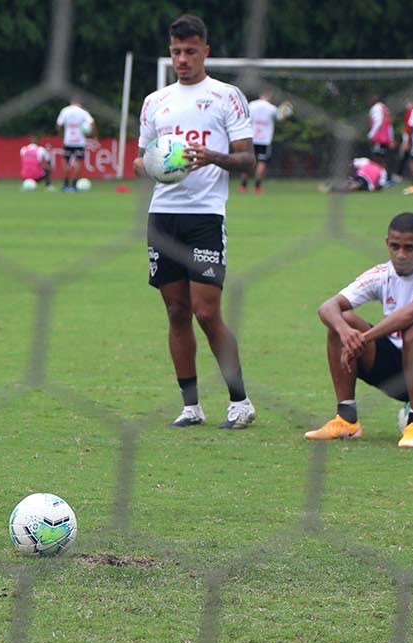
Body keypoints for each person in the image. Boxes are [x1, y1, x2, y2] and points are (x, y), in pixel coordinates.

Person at [135, 13, 257, 429]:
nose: (182, 59)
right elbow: (139, 159)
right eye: (176, 52)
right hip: (162, 216)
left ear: (205, 49)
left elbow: (247, 159)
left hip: (205, 216)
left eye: (190, 51)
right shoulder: (156, 102)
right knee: (176, 312)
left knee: (207, 313)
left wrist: (211, 157)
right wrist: (151, 164)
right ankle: (191, 407)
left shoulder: (227, 96)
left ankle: (239, 402)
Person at [304, 212, 413, 449]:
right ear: (386, 244)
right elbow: (327, 307)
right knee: (342, 322)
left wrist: (364, 338)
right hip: (401, 374)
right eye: (395, 246)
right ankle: (346, 419)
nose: (401, 255)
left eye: (410, 248)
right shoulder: (381, 275)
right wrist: (346, 333)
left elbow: (411, 314)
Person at [240, 91, 286, 193]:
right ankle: (257, 187)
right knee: (262, 162)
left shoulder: (251, 105)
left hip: (251, 138)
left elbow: (243, 118)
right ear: (269, 96)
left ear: (260, 95)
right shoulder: (271, 108)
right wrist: (286, 109)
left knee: (248, 162)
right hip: (264, 140)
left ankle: (243, 186)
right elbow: (281, 117)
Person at [55, 97, 95, 191]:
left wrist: (60, 135)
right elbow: (92, 123)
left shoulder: (65, 111)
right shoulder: (83, 111)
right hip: (79, 141)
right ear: (79, 102)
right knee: (78, 162)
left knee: (66, 162)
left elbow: (59, 125)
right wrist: (92, 135)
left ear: (71, 102)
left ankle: (65, 184)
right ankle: (74, 185)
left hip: (68, 141)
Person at [327, 157, 392, 192]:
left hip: (363, 178)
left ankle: (338, 187)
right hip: (364, 179)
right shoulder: (382, 170)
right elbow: (381, 185)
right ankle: (340, 188)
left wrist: (349, 173)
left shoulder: (366, 161)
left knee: (355, 183)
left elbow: (351, 164)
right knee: (354, 183)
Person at [366, 95, 393, 161]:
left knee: (376, 157)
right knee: (383, 157)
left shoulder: (375, 108)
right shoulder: (384, 107)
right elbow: (389, 124)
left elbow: (378, 122)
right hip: (385, 138)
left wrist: (371, 135)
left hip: (378, 138)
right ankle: (383, 170)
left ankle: (377, 170)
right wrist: (391, 138)